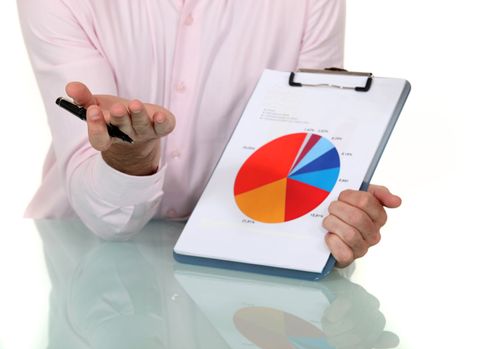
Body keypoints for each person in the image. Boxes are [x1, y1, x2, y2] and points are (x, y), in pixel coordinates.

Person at [18, 0, 401, 268]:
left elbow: (308, 142)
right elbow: (104, 217)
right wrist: (130, 160)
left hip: (241, 254)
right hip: (80, 258)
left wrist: (334, 222)